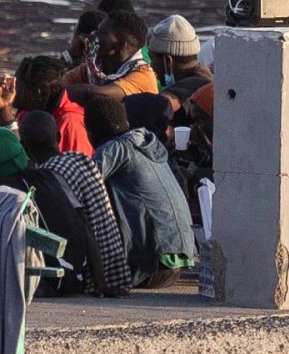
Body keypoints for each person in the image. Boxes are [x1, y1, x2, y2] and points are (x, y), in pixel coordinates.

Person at [84, 95, 197, 288]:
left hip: (152, 267)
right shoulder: (152, 146)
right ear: (126, 122)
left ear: (90, 133)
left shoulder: (116, 149)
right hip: (178, 264)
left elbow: (80, 183)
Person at [18, 110, 131, 297]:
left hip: (93, 275)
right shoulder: (81, 160)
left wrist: (100, 284)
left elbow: (84, 229)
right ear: (58, 136)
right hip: (117, 268)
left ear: (23, 146)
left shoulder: (49, 178)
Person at [0, 56, 93, 156]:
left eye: (17, 86)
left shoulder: (70, 124)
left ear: (38, 92)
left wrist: (6, 112)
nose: (12, 90)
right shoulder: (30, 110)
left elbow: (52, 170)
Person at [65, 10, 158, 102]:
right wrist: (69, 55)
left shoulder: (143, 76)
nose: (94, 35)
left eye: (102, 32)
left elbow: (97, 94)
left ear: (121, 46)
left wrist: (62, 92)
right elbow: (53, 87)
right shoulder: (92, 70)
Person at [148, 15, 212, 113]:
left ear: (168, 61)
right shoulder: (206, 75)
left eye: (152, 59)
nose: (151, 66)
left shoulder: (194, 84)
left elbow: (161, 105)